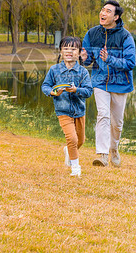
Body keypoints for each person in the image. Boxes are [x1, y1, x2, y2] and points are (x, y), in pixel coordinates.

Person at [81, 0, 136, 167]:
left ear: (116, 17)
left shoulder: (126, 36)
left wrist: (109, 59)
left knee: (117, 123)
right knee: (103, 115)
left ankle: (114, 149)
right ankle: (102, 154)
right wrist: (83, 58)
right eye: (102, 10)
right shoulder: (91, 34)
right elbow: (88, 60)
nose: (103, 13)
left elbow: (130, 63)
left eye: (108, 11)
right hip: (99, 82)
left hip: (120, 84)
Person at [41, 36, 93, 177]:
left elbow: (89, 91)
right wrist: (52, 92)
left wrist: (76, 90)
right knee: (72, 139)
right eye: (66, 48)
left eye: (73, 48)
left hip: (79, 111)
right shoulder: (54, 70)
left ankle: (68, 151)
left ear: (80, 52)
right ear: (61, 52)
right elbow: (45, 86)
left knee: (80, 141)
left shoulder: (83, 72)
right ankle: (75, 169)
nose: (69, 51)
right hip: (63, 111)